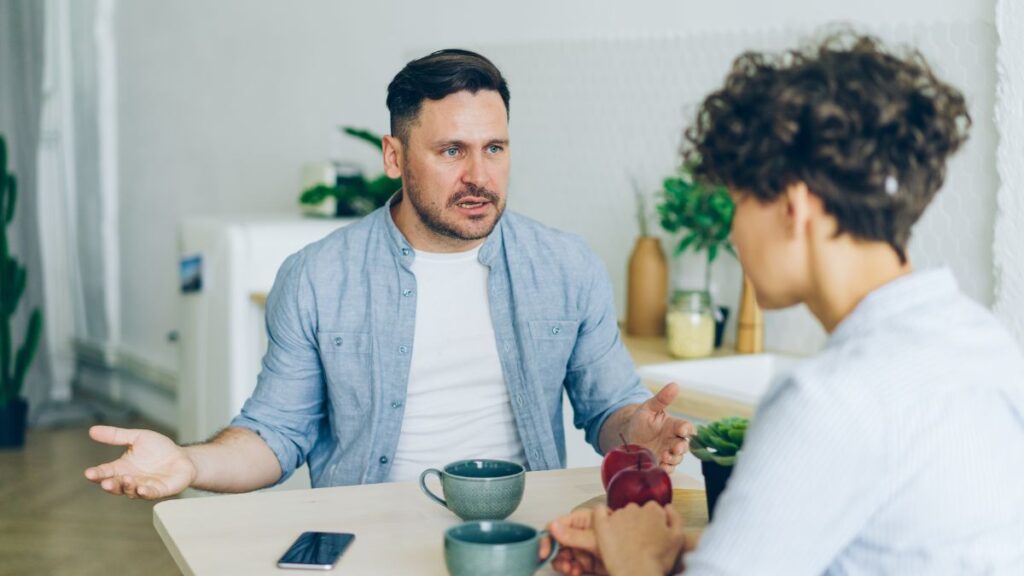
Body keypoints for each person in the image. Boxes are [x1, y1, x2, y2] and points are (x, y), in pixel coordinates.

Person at [84, 49, 696, 499]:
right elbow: (274, 434)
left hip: (522, 533)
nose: (479, 176)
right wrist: (190, 463)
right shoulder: (318, 277)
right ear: (395, 156)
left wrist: (635, 429)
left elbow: (607, 410)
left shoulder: (565, 266)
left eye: (495, 148)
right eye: (452, 151)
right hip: (366, 535)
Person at [545, 33, 1024, 575]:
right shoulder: (984, 341)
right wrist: (674, 555)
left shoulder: (828, 399)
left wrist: (632, 556)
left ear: (793, 207)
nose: (731, 231)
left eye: (739, 201)